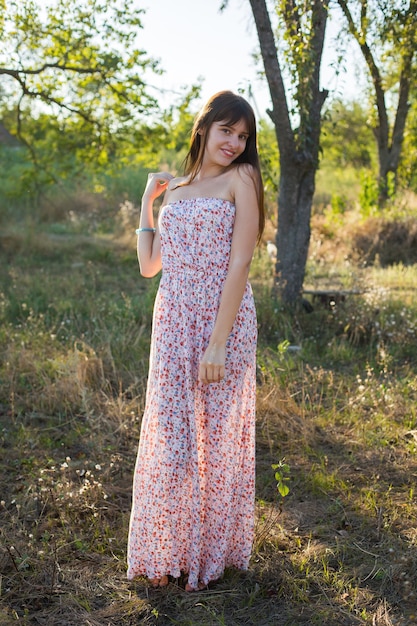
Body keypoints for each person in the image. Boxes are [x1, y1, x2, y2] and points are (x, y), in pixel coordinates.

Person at [127, 90, 265, 592]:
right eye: (226, 130)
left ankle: (208, 554)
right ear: (204, 128)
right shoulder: (180, 188)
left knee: (215, 441)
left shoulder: (242, 179)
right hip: (172, 322)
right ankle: (169, 548)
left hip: (220, 321)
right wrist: (148, 203)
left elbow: (241, 263)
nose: (234, 142)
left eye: (242, 135)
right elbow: (148, 267)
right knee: (172, 437)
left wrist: (218, 343)